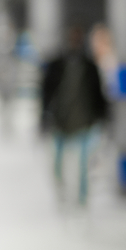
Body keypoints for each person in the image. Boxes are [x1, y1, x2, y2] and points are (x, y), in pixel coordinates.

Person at [41, 25, 109, 205]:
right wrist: (44, 117)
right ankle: (61, 191)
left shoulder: (90, 67)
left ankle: (82, 198)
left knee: (84, 165)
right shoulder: (56, 65)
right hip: (60, 121)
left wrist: (103, 117)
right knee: (57, 163)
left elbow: (98, 94)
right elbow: (46, 92)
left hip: (85, 121)